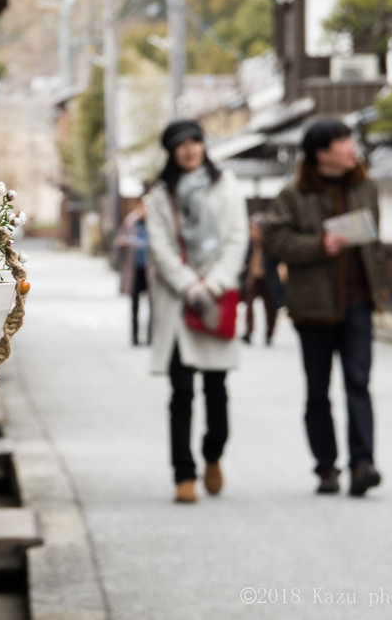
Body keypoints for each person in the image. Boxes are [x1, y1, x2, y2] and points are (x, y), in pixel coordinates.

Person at [263, 118, 385, 497]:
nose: (351, 147)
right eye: (343, 141)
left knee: (358, 384)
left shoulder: (365, 186)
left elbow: (373, 235)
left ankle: (362, 464)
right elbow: (276, 240)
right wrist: (319, 245)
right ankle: (325, 467)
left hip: (358, 303)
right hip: (312, 306)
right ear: (322, 153)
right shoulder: (293, 193)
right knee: (318, 390)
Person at [145, 118, 248, 504]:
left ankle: (213, 454)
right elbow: (161, 249)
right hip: (179, 300)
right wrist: (190, 286)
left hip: (216, 298)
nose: (190, 150)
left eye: (195, 142)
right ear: (172, 152)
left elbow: (237, 240)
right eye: (181, 145)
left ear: (204, 146)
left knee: (217, 390)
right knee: (182, 391)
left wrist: (213, 285)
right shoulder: (160, 196)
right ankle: (183, 474)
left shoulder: (228, 186)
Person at [238, 212, 285, 346]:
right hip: (252, 278)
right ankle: (248, 332)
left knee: (270, 307)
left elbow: (278, 260)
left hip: (268, 278)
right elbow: (244, 259)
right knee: (249, 305)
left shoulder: (270, 245)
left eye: (255, 229)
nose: (252, 232)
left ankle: (269, 334)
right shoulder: (249, 244)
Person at [115, 201, 152, 345]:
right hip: (135, 269)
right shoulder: (131, 221)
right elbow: (119, 238)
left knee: (153, 306)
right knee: (135, 305)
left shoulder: (155, 222)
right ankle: (135, 337)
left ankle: (150, 337)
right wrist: (122, 243)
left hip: (151, 272)